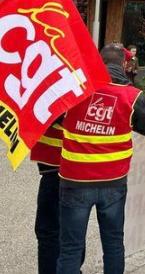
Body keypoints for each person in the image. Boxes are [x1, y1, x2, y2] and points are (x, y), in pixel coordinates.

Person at [56, 44, 145, 274]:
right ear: (124, 65)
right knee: (113, 243)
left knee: (70, 249)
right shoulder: (131, 96)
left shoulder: (74, 90)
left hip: (75, 181)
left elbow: (52, 116)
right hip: (113, 182)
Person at [31, 116, 70, 274]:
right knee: (72, 228)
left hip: (57, 165)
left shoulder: (55, 94)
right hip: (76, 165)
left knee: (48, 230)